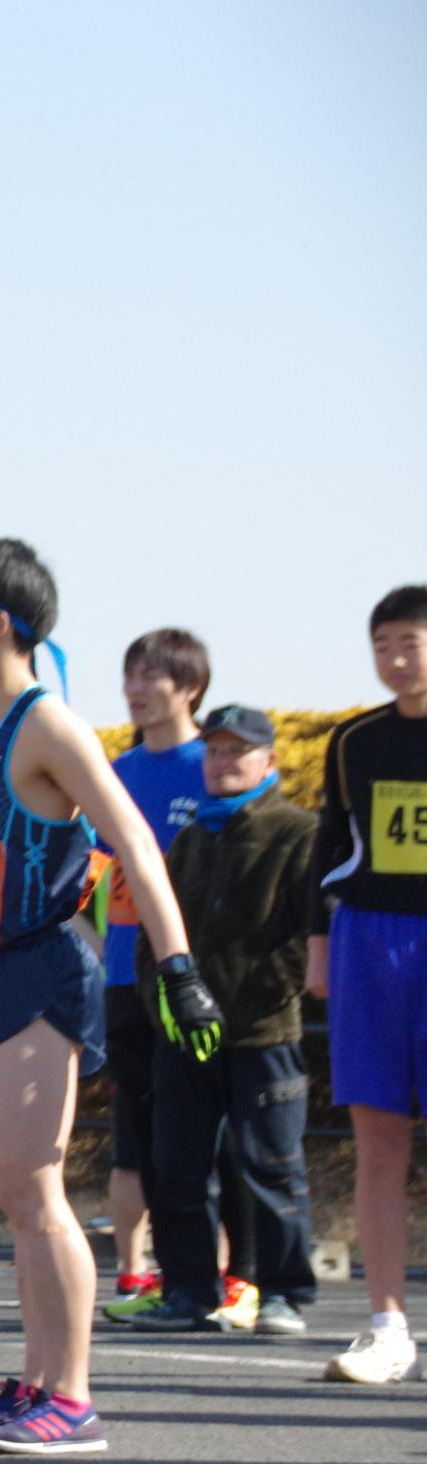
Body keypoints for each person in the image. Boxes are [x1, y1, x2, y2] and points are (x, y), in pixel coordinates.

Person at [0, 539, 222, 1454]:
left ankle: (74, 1397)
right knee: (19, 1196)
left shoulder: (48, 725)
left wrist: (178, 969)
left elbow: (135, 843)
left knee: (40, 1191)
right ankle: (38, 1379)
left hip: (43, 970)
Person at [124, 705, 318, 1334]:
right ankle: (187, 1290)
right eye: (213, 750)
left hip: (264, 1033)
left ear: (270, 761)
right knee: (177, 1164)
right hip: (182, 1037)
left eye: (238, 750)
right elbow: (157, 931)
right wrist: (166, 1007)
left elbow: (307, 936)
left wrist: (255, 997)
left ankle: (283, 1291)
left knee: (271, 1167)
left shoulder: (299, 833)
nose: (222, 761)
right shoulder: (191, 837)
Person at [307, 584, 427, 1386]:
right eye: (383, 642)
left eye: (411, 641)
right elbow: (327, 846)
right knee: (378, 1140)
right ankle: (387, 1324)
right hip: (371, 940)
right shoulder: (354, 742)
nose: (396, 657)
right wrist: (318, 946)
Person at [93, 629, 210, 1309]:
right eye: (130, 676)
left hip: (192, 974)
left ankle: (214, 1268)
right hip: (120, 975)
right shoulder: (116, 771)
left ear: (189, 686)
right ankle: (135, 1270)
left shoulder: (215, 764)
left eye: (152, 677)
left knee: (196, 1129)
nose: (137, 689)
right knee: (132, 1130)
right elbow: (91, 868)